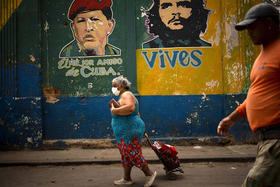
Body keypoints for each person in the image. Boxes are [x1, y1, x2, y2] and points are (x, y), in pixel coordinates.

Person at [217, 3, 280, 186]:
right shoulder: (264, 53)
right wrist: (231, 118)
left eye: (252, 26)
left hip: (276, 140)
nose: (249, 32)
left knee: (254, 182)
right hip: (266, 139)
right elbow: (257, 93)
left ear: (269, 23)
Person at [110, 76, 157, 187]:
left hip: (129, 131)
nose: (113, 88)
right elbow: (136, 113)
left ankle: (149, 174)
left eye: (114, 86)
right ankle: (127, 178)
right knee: (126, 155)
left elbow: (130, 108)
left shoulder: (126, 94)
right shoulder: (125, 96)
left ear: (121, 86)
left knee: (131, 153)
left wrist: (114, 110)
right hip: (127, 130)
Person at [142, 0, 212, 48]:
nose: (175, 11)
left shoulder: (206, 48)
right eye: (166, 6)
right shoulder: (148, 48)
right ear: (157, 11)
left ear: (196, 10)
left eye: (184, 5)